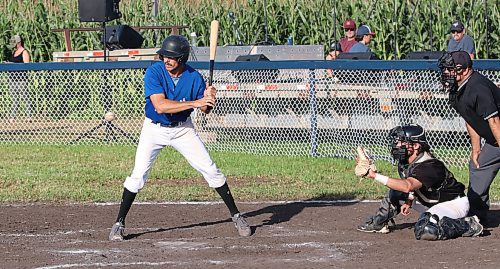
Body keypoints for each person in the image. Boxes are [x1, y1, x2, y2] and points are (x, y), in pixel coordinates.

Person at [108, 35, 252, 241]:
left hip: (183, 129)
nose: (166, 60)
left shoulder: (194, 77)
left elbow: (204, 109)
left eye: (171, 57)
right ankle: (119, 223)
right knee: (137, 176)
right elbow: (160, 105)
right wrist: (196, 102)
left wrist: (209, 99)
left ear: (182, 58)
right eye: (164, 55)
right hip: (154, 129)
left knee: (211, 170)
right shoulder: (154, 71)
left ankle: (237, 216)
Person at [357, 124, 483, 240]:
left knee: (425, 229)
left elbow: (408, 186)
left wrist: (373, 175)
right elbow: (412, 187)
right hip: (431, 202)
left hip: (453, 204)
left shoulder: (430, 165)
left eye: (402, 142)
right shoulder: (405, 162)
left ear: (416, 146)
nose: (397, 145)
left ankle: (468, 225)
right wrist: (409, 199)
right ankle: (379, 224)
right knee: (396, 192)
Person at [438, 51, 500, 224]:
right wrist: (476, 149)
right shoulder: (456, 90)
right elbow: (470, 118)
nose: (445, 73)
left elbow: (494, 120)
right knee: (477, 164)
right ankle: (478, 214)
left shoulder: (478, 87)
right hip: (494, 140)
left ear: (464, 70)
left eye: (450, 69)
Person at [6, 35, 31, 123]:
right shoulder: (14, 52)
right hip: (12, 79)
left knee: (25, 97)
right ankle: (12, 117)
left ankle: (29, 116)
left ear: (19, 42)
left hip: (21, 78)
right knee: (14, 98)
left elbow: (27, 65)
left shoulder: (24, 52)